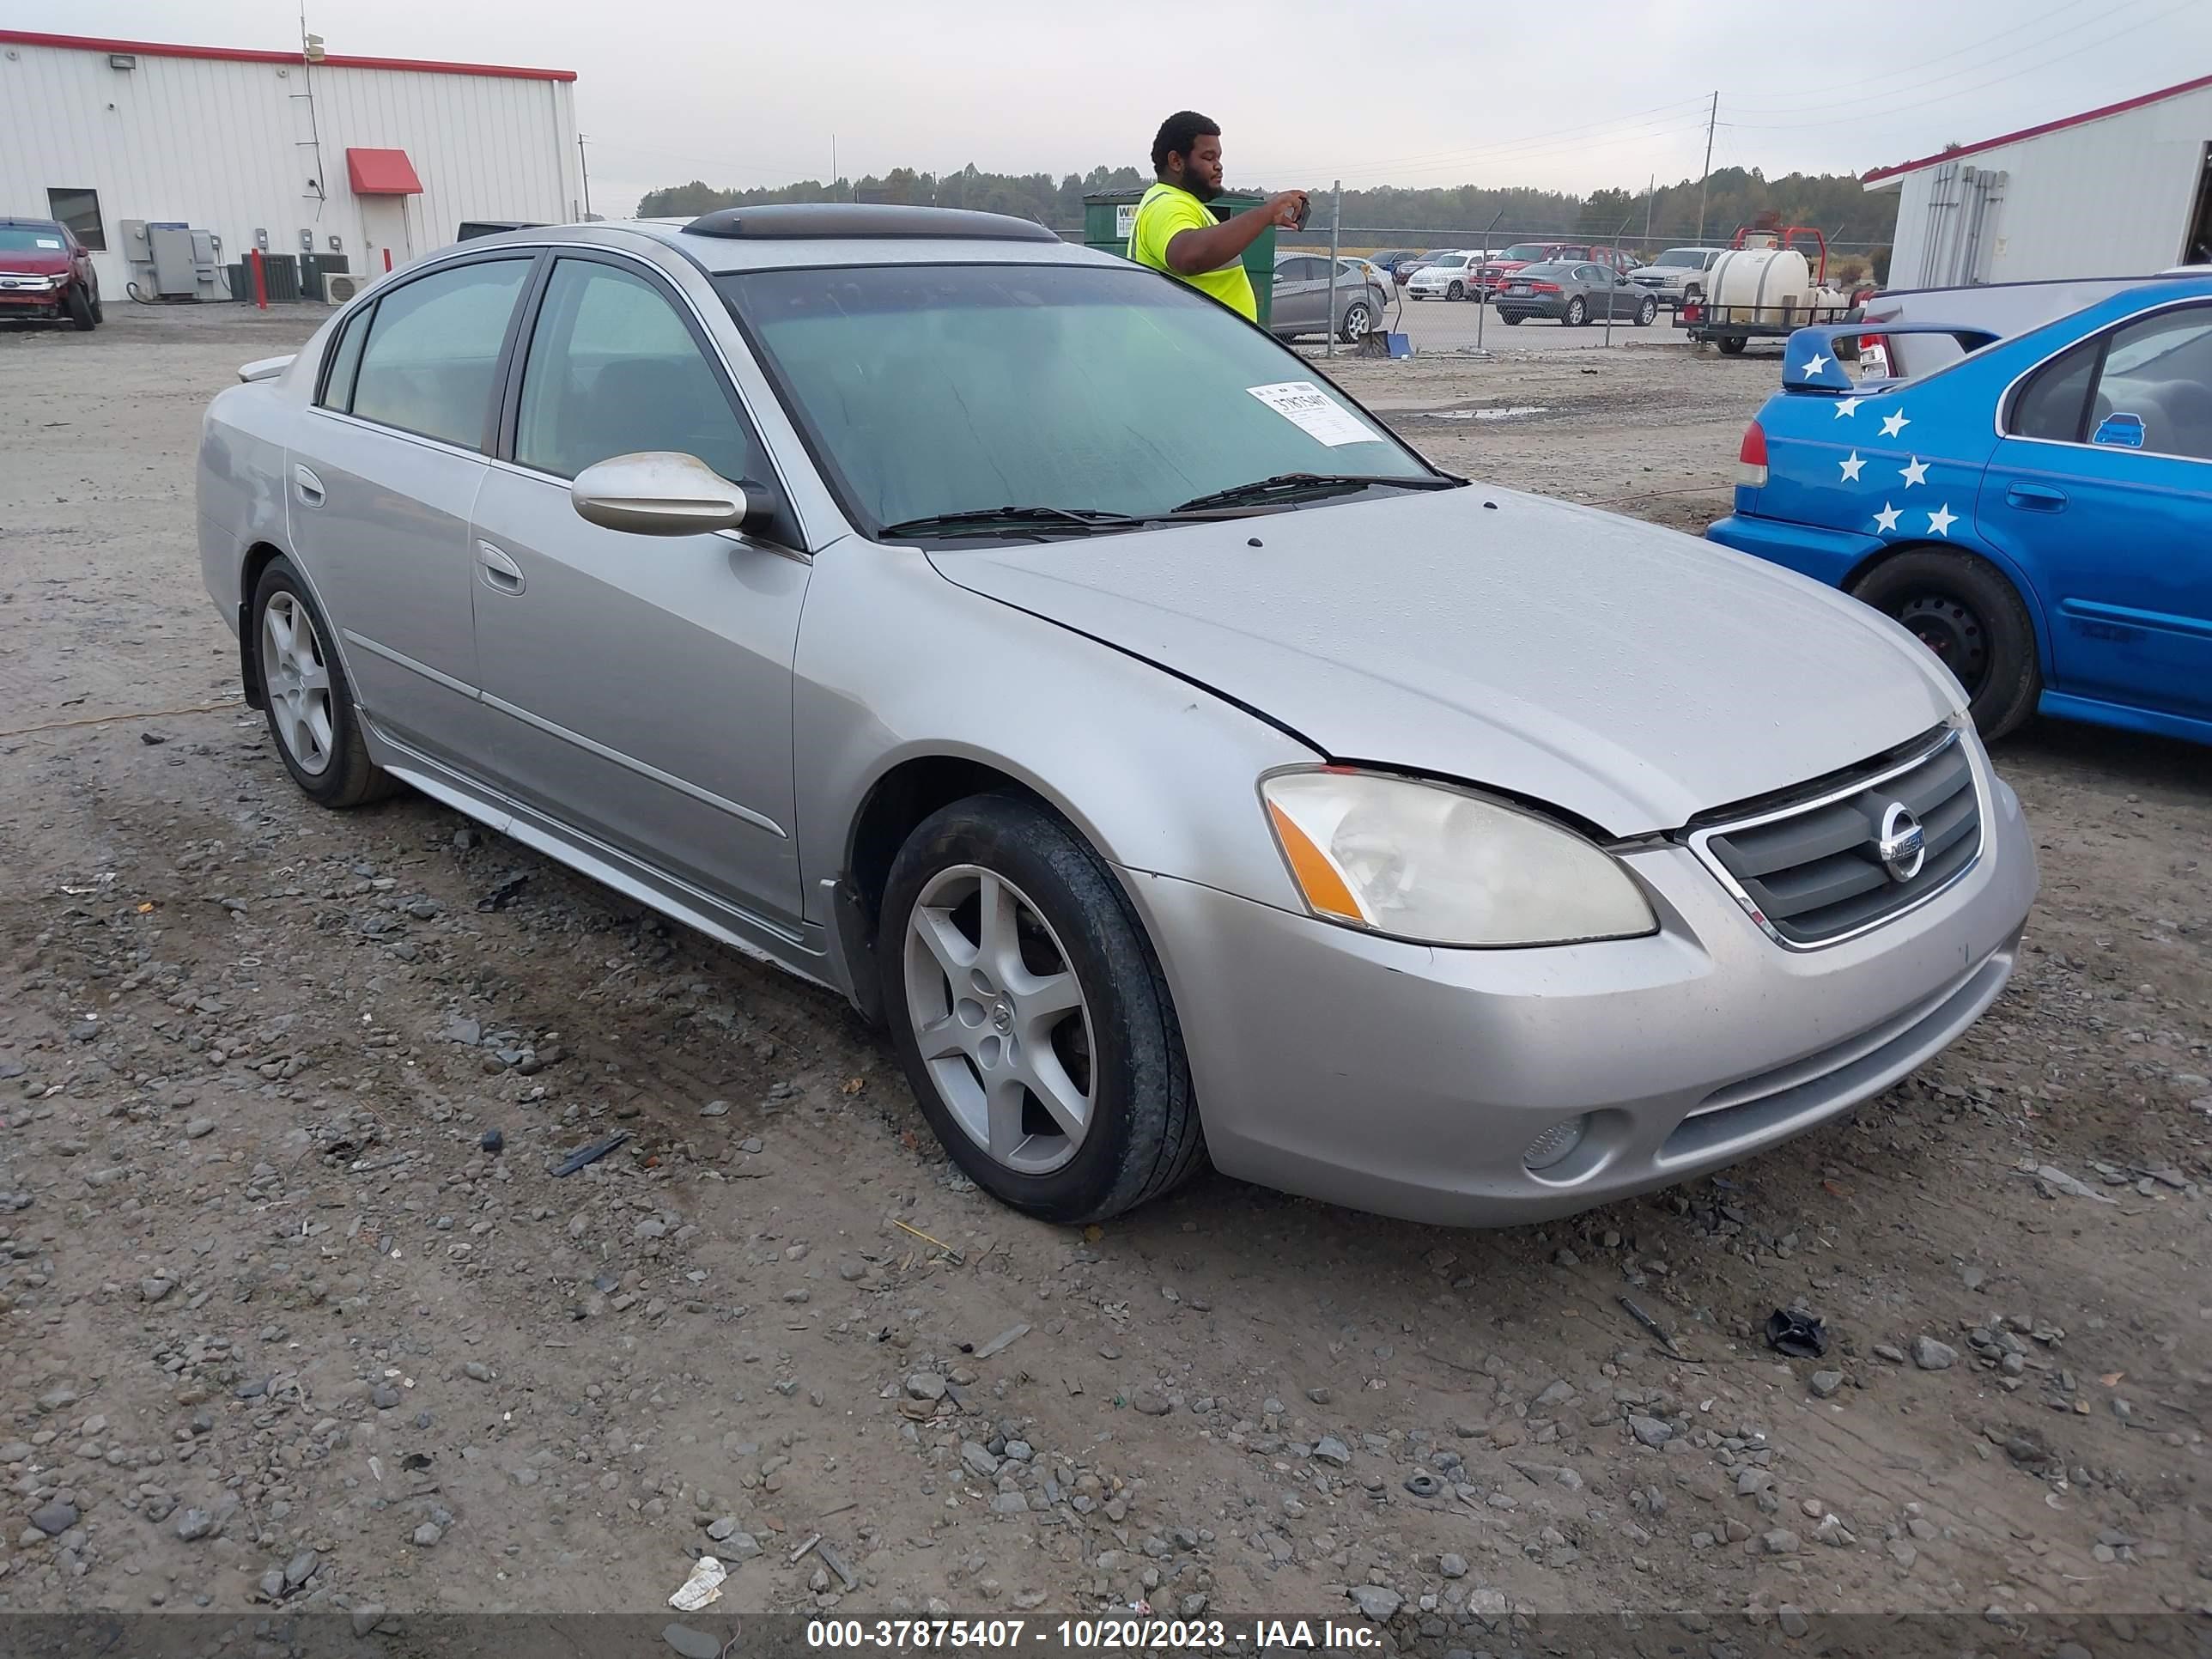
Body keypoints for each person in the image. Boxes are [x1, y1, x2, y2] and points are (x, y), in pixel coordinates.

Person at [1127, 111, 1308, 324]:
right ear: (1176, 161)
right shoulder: (1168, 205)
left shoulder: (1183, 204)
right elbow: (1189, 257)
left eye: (1219, 157)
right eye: (1208, 157)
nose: (1218, 165)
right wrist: (1266, 213)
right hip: (1188, 352)